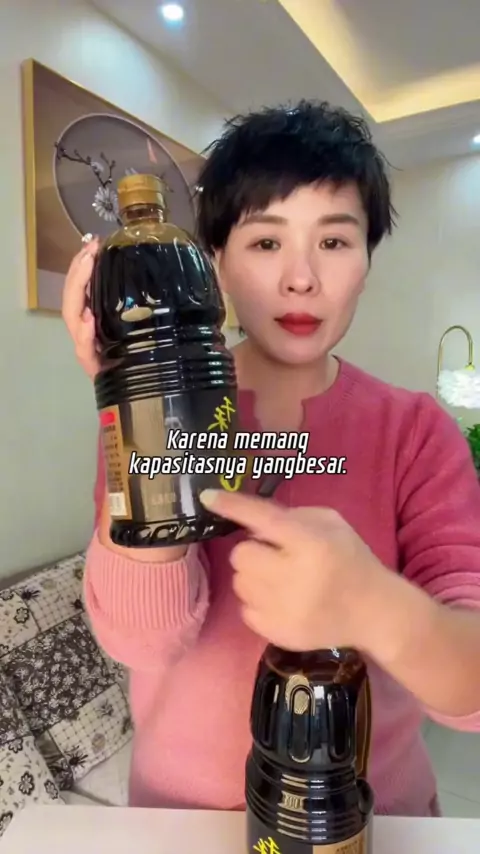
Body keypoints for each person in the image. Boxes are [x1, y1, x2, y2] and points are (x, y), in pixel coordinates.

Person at [62, 100, 480, 817]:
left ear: (367, 262)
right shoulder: (150, 417)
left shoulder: (415, 432)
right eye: (265, 242)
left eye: (335, 241)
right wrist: (143, 408)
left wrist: (375, 608)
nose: (301, 278)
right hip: (180, 824)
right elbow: (140, 639)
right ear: (216, 264)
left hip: (369, 824)